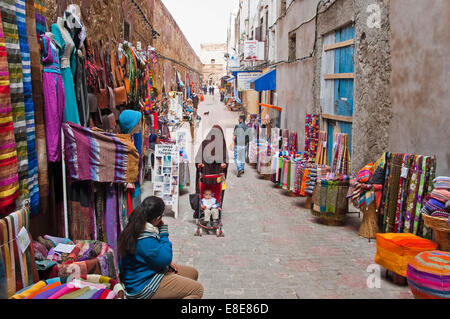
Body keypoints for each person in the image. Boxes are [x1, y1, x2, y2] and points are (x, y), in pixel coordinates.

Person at [118, 196, 204, 299]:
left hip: (148, 272)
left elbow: (153, 257)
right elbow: (166, 258)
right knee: (197, 289)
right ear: (158, 218)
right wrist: (163, 233)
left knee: (192, 273)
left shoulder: (135, 226)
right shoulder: (145, 239)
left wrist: (166, 265)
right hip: (143, 286)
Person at [195, 125, 228, 204]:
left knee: (216, 193)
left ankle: (216, 206)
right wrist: (199, 164)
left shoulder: (222, 145)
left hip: (217, 175)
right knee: (204, 191)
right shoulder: (204, 143)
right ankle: (201, 207)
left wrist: (225, 164)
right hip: (206, 174)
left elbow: (226, 159)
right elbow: (198, 157)